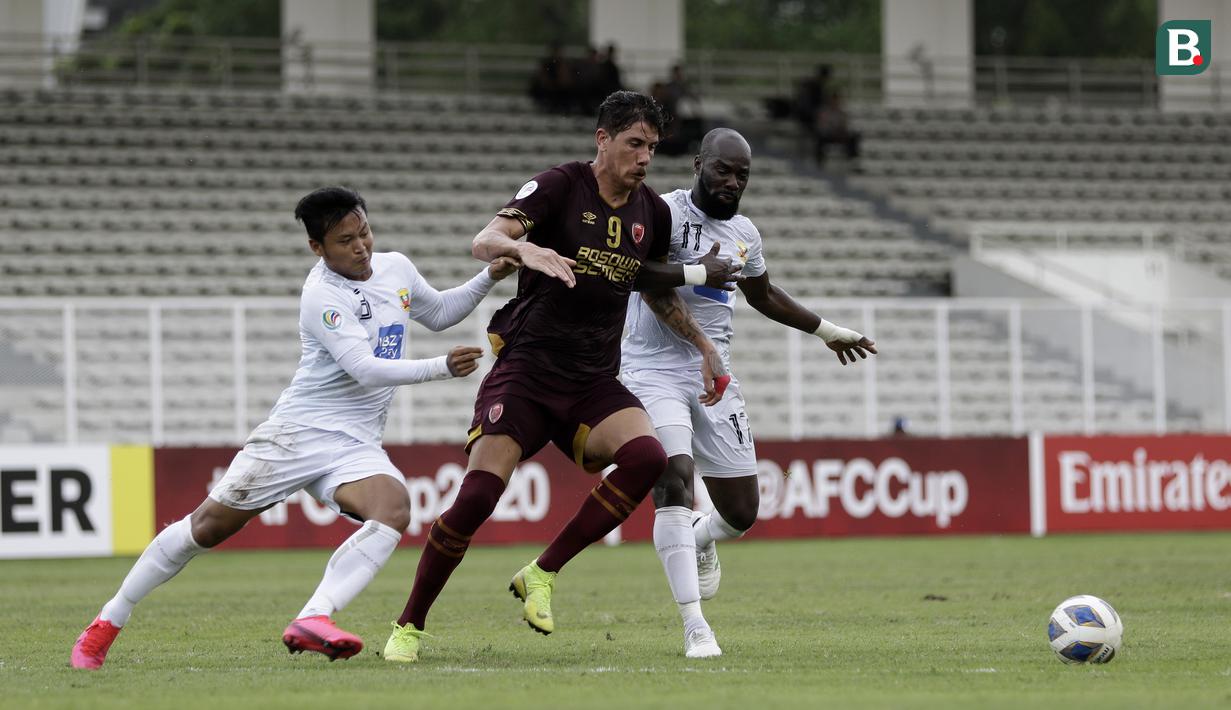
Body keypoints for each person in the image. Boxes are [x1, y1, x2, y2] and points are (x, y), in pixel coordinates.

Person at [69, 187, 517, 669]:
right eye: (345, 240)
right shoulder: (321, 296)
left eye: (364, 231)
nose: (361, 246)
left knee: (393, 507)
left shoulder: (395, 268)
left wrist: (487, 277)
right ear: (317, 248)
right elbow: (363, 368)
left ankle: (314, 617)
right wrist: (439, 368)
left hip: (355, 441)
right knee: (205, 528)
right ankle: (106, 622)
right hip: (297, 433)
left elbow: (440, 312)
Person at [382, 91, 744, 663]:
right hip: (527, 369)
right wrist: (526, 253)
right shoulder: (558, 185)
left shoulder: (652, 211)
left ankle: (542, 573)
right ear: (603, 140)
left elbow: (650, 286)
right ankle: (409, 625)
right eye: (634, 144)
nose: (645, 157)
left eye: (652, 146)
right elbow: (485, 240)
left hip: (593, 379)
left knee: (650, 458)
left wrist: (702, 344)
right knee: (477, 497)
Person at [621, 128, 877, 657]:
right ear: (698, 164)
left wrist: (828, 331)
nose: (733, 182)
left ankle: (699, 537)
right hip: (651, 368)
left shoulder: (745, 234)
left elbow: (763, 294)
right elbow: (642, 278)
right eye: (724, 170)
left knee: (741, 512)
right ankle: (695, 627)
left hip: (715, 376)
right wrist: (699, 296)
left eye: (742, 175)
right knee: (673, 477)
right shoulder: (661, 212)